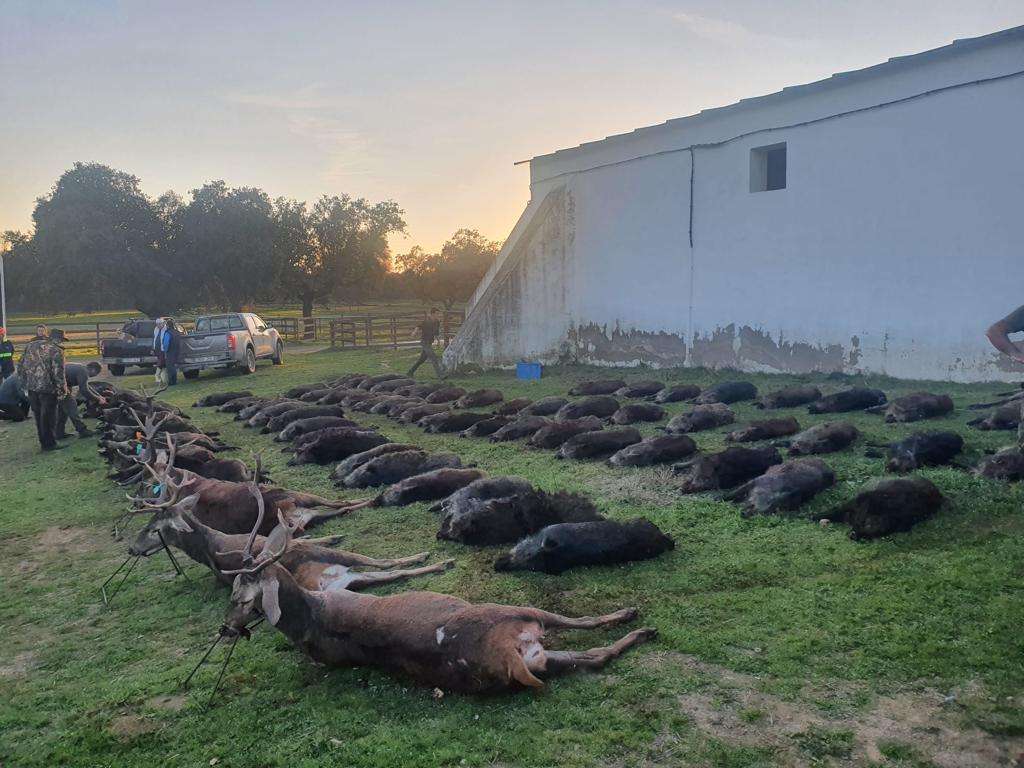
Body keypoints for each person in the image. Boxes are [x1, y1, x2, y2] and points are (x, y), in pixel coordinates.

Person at [16, 324, 68, 451]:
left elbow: (20, 365)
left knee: (38, 416)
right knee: (49, 417)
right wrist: (62, 390)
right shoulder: (56, 350)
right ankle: (50, 444)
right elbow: (58, 373)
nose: (61, 342)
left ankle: (43, 443)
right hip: (48, 389)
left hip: (32, 387)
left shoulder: (30, 345)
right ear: (58, 339)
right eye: (61, 340)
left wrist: (24, 384)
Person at [56, 359, 106, 439]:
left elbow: (87, 386)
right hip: (58, 386)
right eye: (96, 374)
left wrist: (99, 396)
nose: (94, 376)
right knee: (72, 406)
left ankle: (58, 432)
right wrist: (98, 399)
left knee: (63, 409)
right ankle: (82, 431)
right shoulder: (83, 371)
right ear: (93, 369)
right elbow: (84, 390)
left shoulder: (81, 368)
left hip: (56, 385)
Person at [407, 307, 446, 379]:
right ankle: (440, 375)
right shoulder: (426, 321)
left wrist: (438, 341)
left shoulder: (437, 322)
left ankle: (410, 372)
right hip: (425, 342)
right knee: (434, 357)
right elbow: (418, 326)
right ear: (432, 314)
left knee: (421, 360)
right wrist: (414, 332)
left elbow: (436, 333)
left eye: (438, 314)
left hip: (430, 342)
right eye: (437, 314)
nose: (438, 315)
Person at [161, 317, 183, 385]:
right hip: (177, 351)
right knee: (174, 366)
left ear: (167, 325)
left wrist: (165, 351)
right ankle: (175, 380)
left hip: (170, 351)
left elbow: (166, 343)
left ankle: (171, 382)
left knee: (170, 367)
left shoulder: (168, 333)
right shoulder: (177, 332)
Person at [152, 317, 166, 384]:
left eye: (160, 324)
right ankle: (162, 378)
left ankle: (157, 376)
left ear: (163, 323)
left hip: (163, 349)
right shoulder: (156, 329)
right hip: (157, 349)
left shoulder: (166, 329)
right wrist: (153, 348)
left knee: (161, 362)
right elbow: (155, 338)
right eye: (157, 324)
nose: (158, 325)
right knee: (162, 363)